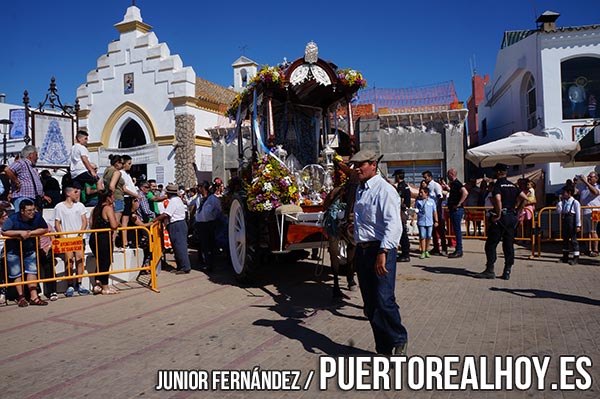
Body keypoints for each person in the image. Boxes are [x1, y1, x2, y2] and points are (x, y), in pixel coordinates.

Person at [351, 150, 407, 355]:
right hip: (363, 250)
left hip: (380, 248)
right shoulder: (360, 189)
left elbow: (393, 224)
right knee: (370, 304)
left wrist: (383, 251)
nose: (357, 168)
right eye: (355, 165)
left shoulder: (384, 189)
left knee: (384, 299)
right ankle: (383, 347)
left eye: (361, 165)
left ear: (373, 165)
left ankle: (399, 338)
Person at [475, 163, 528, 280]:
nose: (493, 173)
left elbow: (498, 199)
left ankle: (490, 270)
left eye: (495, 171)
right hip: (511, 217)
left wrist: (498, 214)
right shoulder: (512, 186)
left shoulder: (498, 185)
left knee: (491, 244)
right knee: (508, 244)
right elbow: (525, 198)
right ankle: (507, 270)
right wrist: (517, 211)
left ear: (498, 172)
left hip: (501, 218)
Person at [2, 199, 49, 307]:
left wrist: (30, 233)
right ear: (22, 211)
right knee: (16, 273)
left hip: (30, 248)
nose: (32, 212)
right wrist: (19, 233)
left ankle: (34, 297)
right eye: (29, 211)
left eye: (33, 209)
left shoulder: (37, 216)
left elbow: (44, 229)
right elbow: (4, 231)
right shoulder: (13, 218)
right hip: (13, 250)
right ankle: (21, 297)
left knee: (32, 271)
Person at [54, 186, 90, 297]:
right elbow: (57, 223)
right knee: (69, 261)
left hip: (78, 238)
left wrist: (80, 233)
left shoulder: (80, 206)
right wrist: (62, 236)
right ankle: (69, 285)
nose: (77, 194)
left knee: (80, 260)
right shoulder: (59, 207)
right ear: (68, 193)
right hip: (67, 239)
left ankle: (79, 284)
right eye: (75, 192)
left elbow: (84, 221)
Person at [89, 189, 120, 295]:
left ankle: (98, 283)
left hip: (93, 238)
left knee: (99, 260)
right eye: (113, 196)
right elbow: (114, 225)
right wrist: (117, 221)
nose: (114, 198)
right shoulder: (108, 208)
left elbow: (91, 223)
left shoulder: (95, 209)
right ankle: (105, 287)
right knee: (105, 262)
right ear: (108, 198)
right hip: (103, 238)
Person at [155, 184, 192, 274]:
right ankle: (180, 266)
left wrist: (155, 219)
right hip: (178, 224)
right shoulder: (177, 200)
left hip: (176, 224)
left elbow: (166, 214)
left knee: (180, 246)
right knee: (176, 246)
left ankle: (185, 267)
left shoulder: (173, 201)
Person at [4, 145, 51, 211]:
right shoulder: (21, 162)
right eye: (36, 155)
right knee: (22, 219)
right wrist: (16, 182)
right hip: (23, 197)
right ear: (30, 155)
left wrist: (42, 195)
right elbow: (8, 170)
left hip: (34, 198)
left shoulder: (32, 167)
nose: (37, 158)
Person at [192, 181, 222, 271]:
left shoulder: (213, 199)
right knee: (203, 244)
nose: (198, 189)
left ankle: (211, 263)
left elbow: (219, 209)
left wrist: (215, 218)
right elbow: (191, 204)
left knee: (211, 244)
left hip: (210, 224)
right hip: (200, 224)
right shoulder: (198, 198)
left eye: (199, 187)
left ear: (203, 188)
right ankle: (206, 262)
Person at [444, 168, 468, 258]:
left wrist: (459, 203)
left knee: (457, 230)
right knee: (455, 230)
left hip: (457, 210)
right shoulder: (453, 184)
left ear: (451, 174)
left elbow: (465, 192)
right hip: (453, 209)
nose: (447, 176)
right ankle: (458, 249)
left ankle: (459, 250)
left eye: (448, 174)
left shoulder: (457, 183)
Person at [422, 170, 446, 256]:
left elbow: (440, 197)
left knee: (440, 230)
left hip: (436, 210)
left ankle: (444, 248)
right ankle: (436, 248)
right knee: (433, 230)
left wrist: (437, 210)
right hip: (429, 211)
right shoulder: (427, 186)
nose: (425, 179)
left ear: (430, 177)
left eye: (426, 177)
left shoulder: (435, 185)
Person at [556, 186, 581, 265]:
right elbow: (559, 211)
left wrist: (578, 225)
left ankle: (576, 257)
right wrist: (559, 202)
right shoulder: (563, 202)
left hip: (572, 221)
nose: (562, 194)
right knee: (565, 239)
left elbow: (578, 214)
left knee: (573, 240)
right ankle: (565, 256)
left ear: (569, 193)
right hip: (565, 220)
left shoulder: (575, 202)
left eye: (564, 192)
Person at [577, 171, 599, 257]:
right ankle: (588, 249)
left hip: (595, 211)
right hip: (584, 211)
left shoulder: (598, 186)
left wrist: (585, 181)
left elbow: (595, 192)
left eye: (591, 177)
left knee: (593, 231)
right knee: (586, 232)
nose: (589, 178)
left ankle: (596, 249)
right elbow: (575, 192)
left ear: (596, 179)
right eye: (588, 177)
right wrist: (575, 183)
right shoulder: (583, 187)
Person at [415, 186, 438, 259]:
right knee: (422, 236)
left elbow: (434, 211)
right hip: (421, 221)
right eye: (420, 192)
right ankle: (423, 251)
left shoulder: (432, 201)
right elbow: (416, 211)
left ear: (426, 193)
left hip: (430, 222)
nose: (420, 194)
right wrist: (413, 219)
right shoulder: (418, 201)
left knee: (428, 236)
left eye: (422, 192)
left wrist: (436, 220)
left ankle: (427, 250)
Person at [393, 169, 411, 262]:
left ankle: (405, 253)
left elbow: (400, 199)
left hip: (401, 211)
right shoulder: (404, 186)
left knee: (402, 233)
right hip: (403, 211)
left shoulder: (402, 186)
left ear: (398, 176)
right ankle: (405, 252)